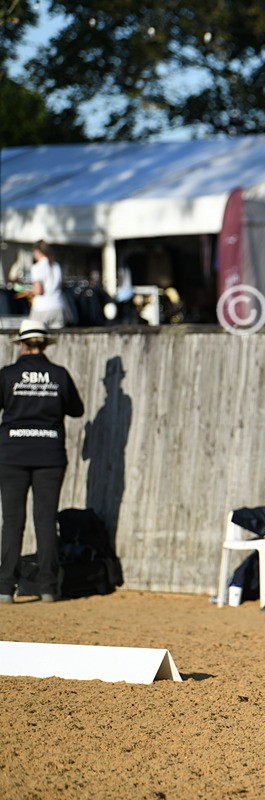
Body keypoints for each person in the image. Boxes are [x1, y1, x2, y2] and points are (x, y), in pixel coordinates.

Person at [0, 320, 85, 603]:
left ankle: (5, 588)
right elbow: (76, 409)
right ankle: (48, 587)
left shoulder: (8, 374)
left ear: (22, 344)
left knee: (12, 522)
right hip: (50, 455)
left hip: (12, 455)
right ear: (45, 345)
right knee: (46, 521)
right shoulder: (58, 374)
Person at [26, 241, 68, 329]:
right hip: (58, 306)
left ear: (37, 251)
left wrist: (29, 291)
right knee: (57, 339)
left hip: (42, 308)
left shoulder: (37, 267)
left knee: (35, 336)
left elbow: (38, 290)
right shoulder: (56, 266)